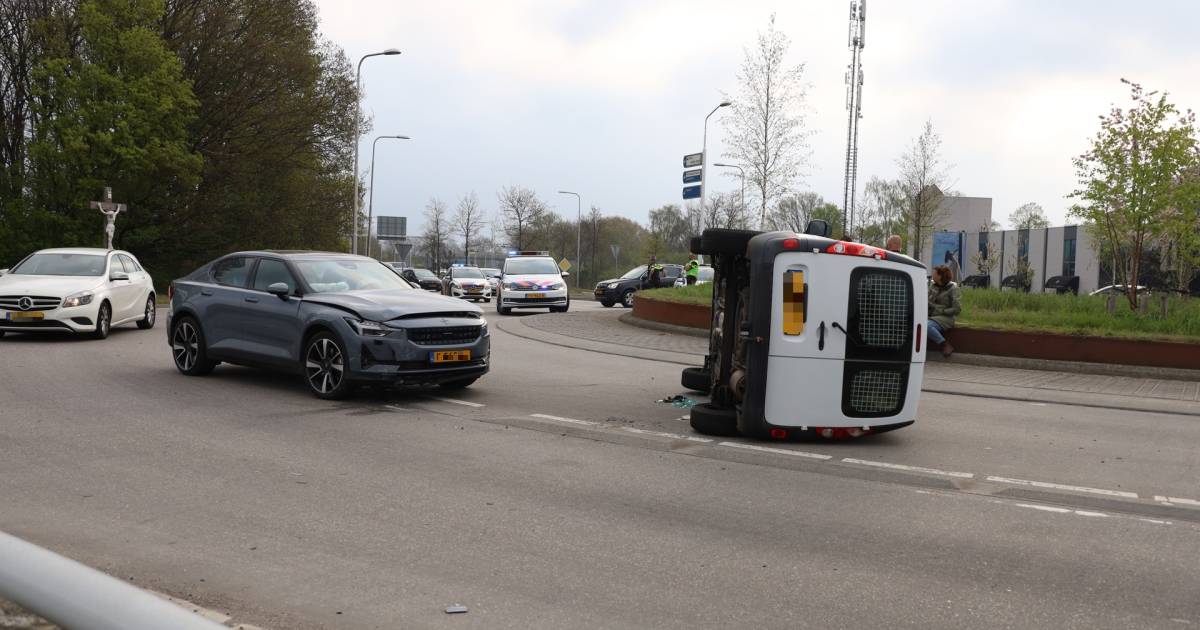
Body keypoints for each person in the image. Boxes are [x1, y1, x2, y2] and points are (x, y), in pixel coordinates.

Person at [927, 264, 962, 358]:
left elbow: (957, 309)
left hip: (945, 318)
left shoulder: (953, 288)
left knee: (926, 326)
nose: (933, 275)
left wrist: (942, 311)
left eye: (935, 273)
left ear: (940, 276)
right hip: (931, 315)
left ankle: (945, 345)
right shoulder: (933, 286)